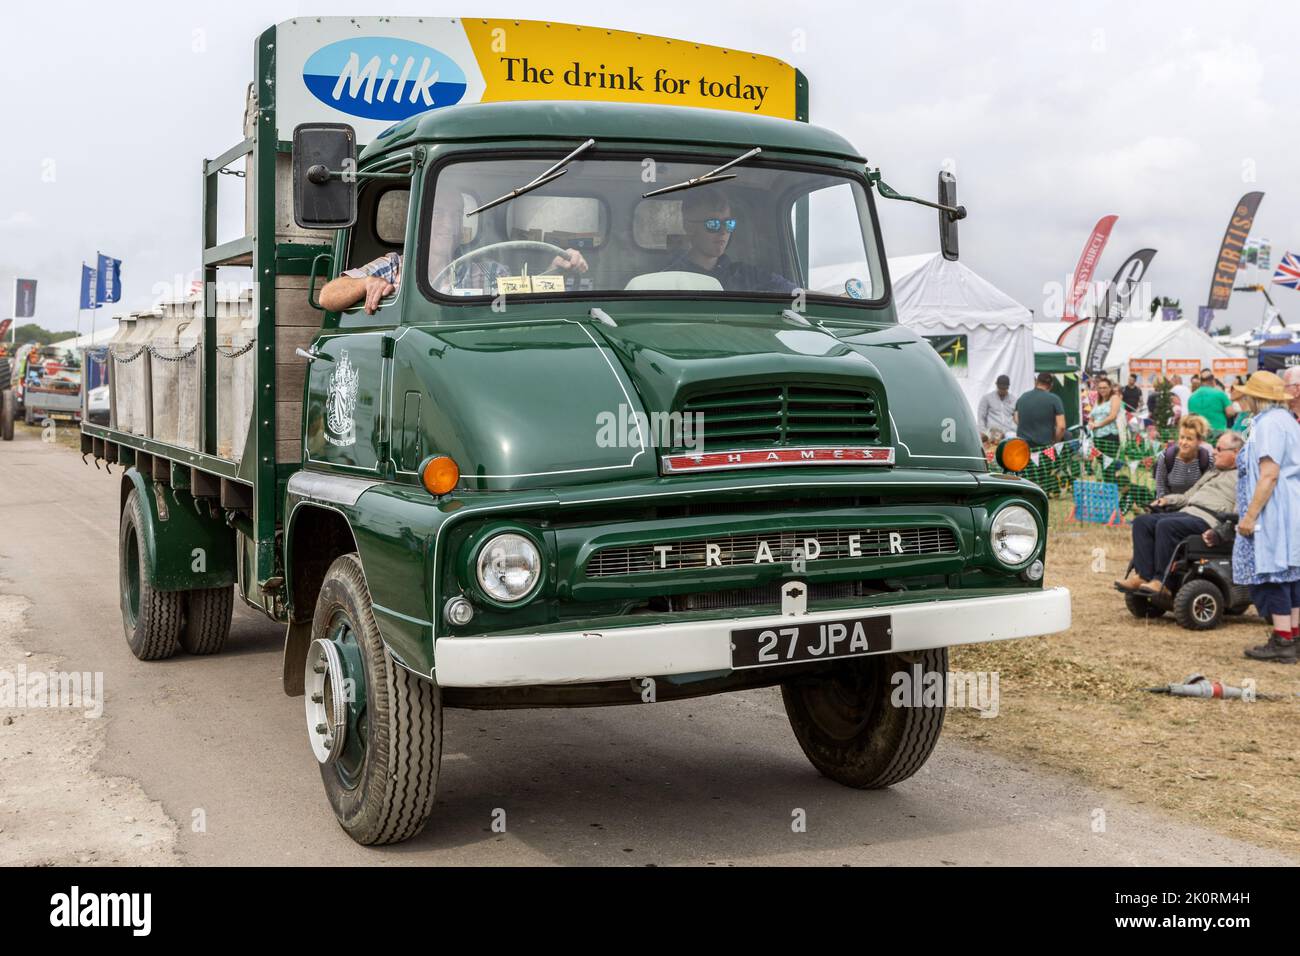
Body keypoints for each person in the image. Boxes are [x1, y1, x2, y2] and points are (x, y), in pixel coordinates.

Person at [318, 190, 589, 314]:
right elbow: (327, 296)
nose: (448, 224)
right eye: (437, 214)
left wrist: (556, 268)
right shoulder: (394, 266)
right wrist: (367, 283)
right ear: (421, 222)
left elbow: (523, 291)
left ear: (462, 227)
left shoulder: (486, 270)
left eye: (455, 216)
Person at [1229, 371, 1300, 663]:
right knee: (1291, 572)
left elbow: (1269, 474)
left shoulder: (1269, 424)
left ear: (1257, 398)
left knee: (1274, 572)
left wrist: (1250, 515)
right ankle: (1293, 635)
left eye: (1247, 394)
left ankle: (1283, 640)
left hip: (1273, 508)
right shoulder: (1285, 420)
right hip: (1288, 503)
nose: (1243, 398)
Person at [1115, 431, 1242, 593]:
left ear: (1236, 452)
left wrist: (1221, 532)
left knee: (1166, 525)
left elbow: (1240, 512)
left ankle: (1162, 582)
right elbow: (1187, 496)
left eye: (1219, 448)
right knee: (1142, 521)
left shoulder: (1244, 477)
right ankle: (1143, 576)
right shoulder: (1212, 473)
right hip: (1188, 511)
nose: (1214, 452)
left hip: (1209, 519)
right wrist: (1167, 500)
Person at [666, 189, 798, 294]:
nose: (723, 232)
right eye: (713, 224)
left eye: (728, 223)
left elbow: (798, 295)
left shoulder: (748, 276)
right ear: (689, 227)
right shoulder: (668, 279)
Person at [1153, 414, 1212, 498]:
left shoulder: (1207, 460)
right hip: (1170, 505)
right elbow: (1160, 489)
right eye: (1182, 437)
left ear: (1199, 441)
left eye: (1189, 439)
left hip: (1196, 506)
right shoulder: (1166, 457)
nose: (1184, 442)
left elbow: (1208, 490)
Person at [1014, 372, 1066, 448]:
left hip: (1023, 448)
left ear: (1036, 382)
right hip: (1045, 447)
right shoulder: (1054, 399)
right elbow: (1061, 427)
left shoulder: (1023, 397)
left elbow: (1016, 418)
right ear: (1051, 385)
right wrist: (1055, 441)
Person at [1087, 376, 1123, 458]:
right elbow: (1092, 417)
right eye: (1100, 388)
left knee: (1109, 465)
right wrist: (1090, 423)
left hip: (1110, 436)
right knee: (1102, 463)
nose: (1102, 390)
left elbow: (1112, 416)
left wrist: (1097, 425)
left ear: (1110, 388)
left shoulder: (1114, 398)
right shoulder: (1098, 401)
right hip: (1097, 437)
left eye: (1104, 388)